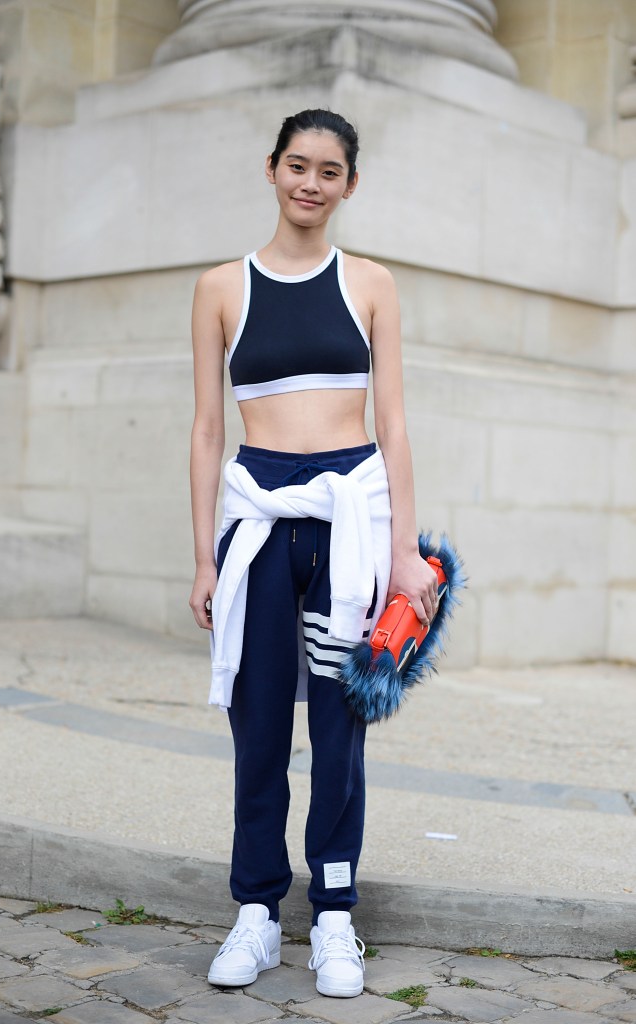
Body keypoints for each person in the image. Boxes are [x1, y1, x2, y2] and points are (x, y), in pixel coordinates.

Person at [189, 108, 438, 999]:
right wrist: (204, 560)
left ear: (349, 185)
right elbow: (207, 428)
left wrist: (404, 549)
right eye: (298, 165)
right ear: (272, 169)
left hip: (351, 521)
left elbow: (395, 424)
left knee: (339, 726)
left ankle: (333, 915)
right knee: (257, 727)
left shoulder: (371, 283)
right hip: (256, 519)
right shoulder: (221, 285)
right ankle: (255, 913)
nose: (310, 182)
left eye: (329, 171)